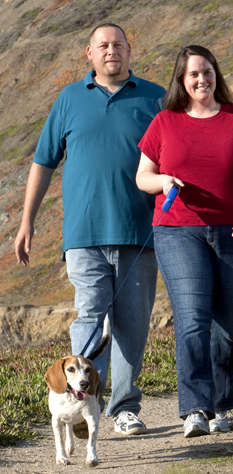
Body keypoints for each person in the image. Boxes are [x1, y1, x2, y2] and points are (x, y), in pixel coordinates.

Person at [14, 23, 166, 436]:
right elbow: (43, 161)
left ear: (129, 50)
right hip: (84, 234)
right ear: (89, 54)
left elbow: (176, 158)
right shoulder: (68, 99)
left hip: (141, 232)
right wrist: (27, 220)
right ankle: (84, 400)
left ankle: (125, 407)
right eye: (103, 45)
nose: (111, 50)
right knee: (90, 317)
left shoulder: (156, 98)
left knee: (132, 325)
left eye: (118, 44)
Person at [136, 45, 233, 438]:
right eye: (193, 74)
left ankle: (220, 405)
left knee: (227, 325)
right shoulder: (164, 122)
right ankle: (195, 408)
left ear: (217, 75)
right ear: (182, 79)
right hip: (178, 230)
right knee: (193, 318)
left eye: (208, 72)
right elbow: (143, 176)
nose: (202, 80)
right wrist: (162, 181)